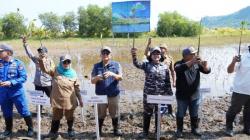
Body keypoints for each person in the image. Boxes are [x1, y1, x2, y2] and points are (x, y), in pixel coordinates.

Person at [131, 46, 173, 138]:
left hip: (160, 96)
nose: (156, 55)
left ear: (160, 55)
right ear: (151, 55)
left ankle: (157, 132)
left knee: (159, 114)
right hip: (148, 95)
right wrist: (134, 55)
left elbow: (167, 82)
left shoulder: (165, 67)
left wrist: (169, 94)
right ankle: (145, 132)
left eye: (158, 53)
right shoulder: (146, 65)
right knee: (147, 113)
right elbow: (137, 64)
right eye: (154, 53)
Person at [39, 54, 83, 138]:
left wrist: (80, 99)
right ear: (60, 62)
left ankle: (70, 130)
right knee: (56, 116)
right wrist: (41, 60)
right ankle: (53, 131)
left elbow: (77, 88)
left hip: (70, 100)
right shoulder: (55, 70)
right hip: (57, 100)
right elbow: (44, 69)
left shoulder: (73, 73)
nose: (66, 63)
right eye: (64, 62)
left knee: (70, 116)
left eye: (68, 61)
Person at [174, 46, 211, 138]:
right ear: (186, 56)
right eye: (193, 54)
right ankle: (179, 130)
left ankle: (194, 129)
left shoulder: (197, 64)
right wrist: (192, 61)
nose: (195, 55)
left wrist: (205, 65)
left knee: (194, 113)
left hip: (195, 95)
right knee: (180, 113)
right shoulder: (178, 64)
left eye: (195, 53)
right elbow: (179, 69)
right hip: (182, 96)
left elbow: (207, 71)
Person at [0, 44, 34, 137]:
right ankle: (8, 130)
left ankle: (30, 128)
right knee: (6, 111)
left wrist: (11, 82)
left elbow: (23, 78)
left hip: (16, 93)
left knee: (24, 111)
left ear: (8, 52)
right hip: (3, 93)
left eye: (0, 51)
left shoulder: (18, 63)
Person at [91, 46, 123, 136]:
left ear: (110, 55)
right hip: (100, 95)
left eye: (107, 53)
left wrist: (112, 74)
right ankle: (99, 131)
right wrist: (98, 77)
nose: (105, 55)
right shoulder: (96, 66)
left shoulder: (117, 64)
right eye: (103, 53)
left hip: (113, 94)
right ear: (100, 55)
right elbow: (92, 81)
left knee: (114, 113)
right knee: (100, 114)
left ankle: (116, 130)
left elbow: (121, 77)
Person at [22, 37, 54, 114]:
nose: (41, 54)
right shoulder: (36, 59)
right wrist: (25, 44)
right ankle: (39, 113)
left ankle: (55, 112)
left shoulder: (50, 61)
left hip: (48, 84)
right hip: (38, 84)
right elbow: (30, 54)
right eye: (39, 52)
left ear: (46, 53)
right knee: (38, 99)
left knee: (52, 98)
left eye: (43, 52)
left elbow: (53, 72)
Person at [144, 39, 176, 117]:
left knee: (168, 95)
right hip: (155, 82)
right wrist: (148, 44)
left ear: (166, 49)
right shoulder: (155, 56)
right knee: (155, 96)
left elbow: (172, 71)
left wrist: (174, 81)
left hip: (166, 82)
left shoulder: (170, 58)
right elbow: (145, 54)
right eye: (160, 48)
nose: (162, 49)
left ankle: (170, 111)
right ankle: (155, 112)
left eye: (163, 48)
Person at [225, 45, 250, 137]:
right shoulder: (242, 57)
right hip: (240, 90)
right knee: (234, 110)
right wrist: (233, 61)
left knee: (249, 111)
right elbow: (229, 70)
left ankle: (247, 128)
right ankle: (229, 128)